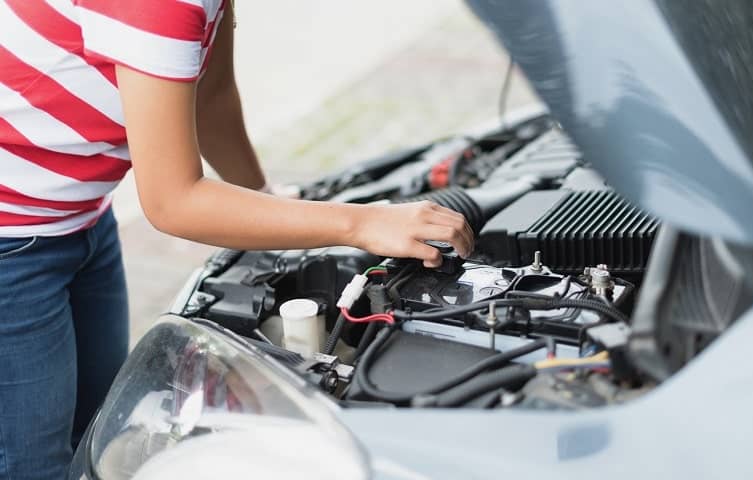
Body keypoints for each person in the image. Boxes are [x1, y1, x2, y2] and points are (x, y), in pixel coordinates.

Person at [0, 1, 473, 478]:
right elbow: (172, 201)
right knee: (35, 465)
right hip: (11, 239)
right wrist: (362, 223)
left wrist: (263, 197)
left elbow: (211, 98)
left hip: (77, 215)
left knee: (96, 431)